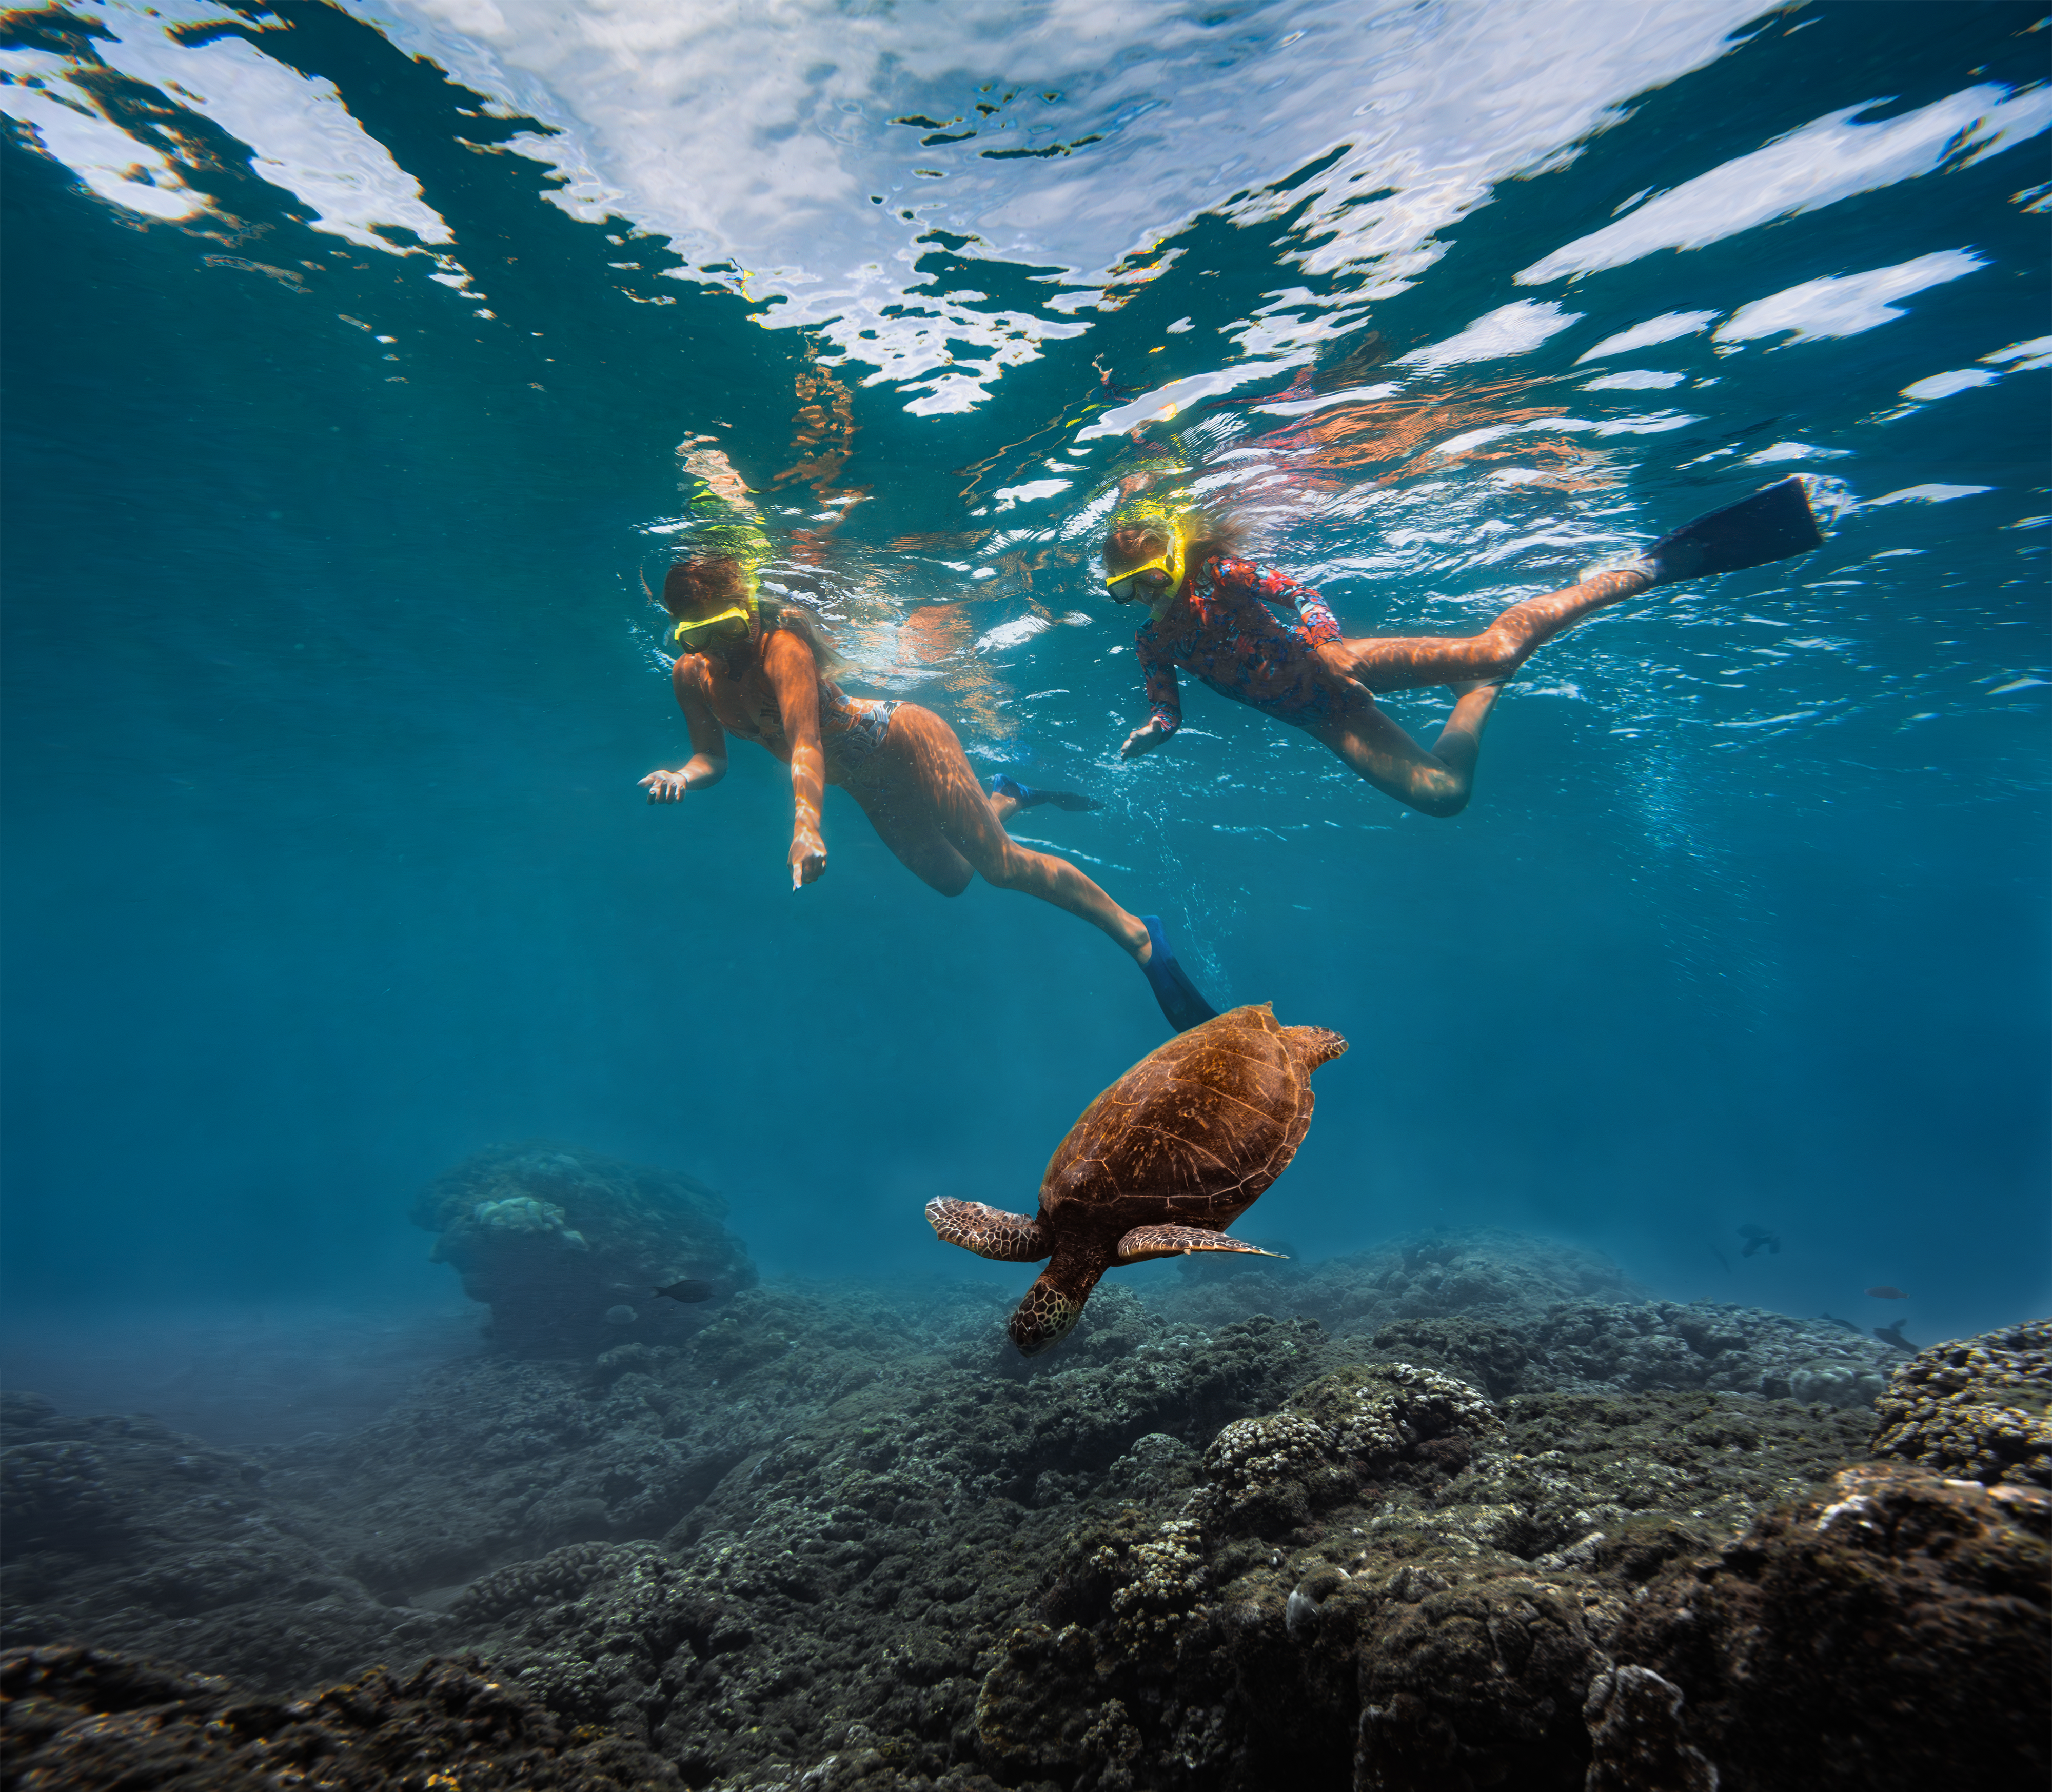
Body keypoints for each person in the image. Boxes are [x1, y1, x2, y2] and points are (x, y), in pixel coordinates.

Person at [640, 449, 1219, 1031]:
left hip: (907, 738)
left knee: (999, 865)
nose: (721, 647)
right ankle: (1008, 795)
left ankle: (1141, 937)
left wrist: (806, 826)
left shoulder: (780, 648)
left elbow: (805, 744)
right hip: (867, 782)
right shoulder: (691, 675)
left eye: (731, 627)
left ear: (748, 609)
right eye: (700, 635)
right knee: (953, 878)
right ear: (681, 633)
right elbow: (709, 756)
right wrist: (682, 775)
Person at [1101, 477, 1825, 815]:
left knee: (1498, 645)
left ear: (1171, 558)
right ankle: (1475, 697)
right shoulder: (1151, 641)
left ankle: (1644, 569)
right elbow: (1169, 709)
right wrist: (1153, 733)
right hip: (1320, 719)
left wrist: (1325, 642)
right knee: (1445, 796)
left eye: (1144, 578)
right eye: (1123, 588)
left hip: (1340, 668)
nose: (1139, 595)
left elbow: (1300, 594)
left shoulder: (1219, 573)